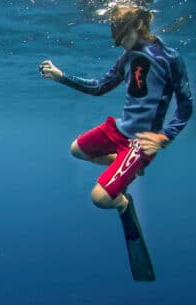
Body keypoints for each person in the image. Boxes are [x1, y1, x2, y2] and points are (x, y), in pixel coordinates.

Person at [39, 5, 193, 215]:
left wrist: (164, 137)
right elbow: (99, 87)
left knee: (99, 199)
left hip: (141, 142)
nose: (121, 45)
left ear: (138, 25)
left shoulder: (169, 58)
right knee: (76, 150)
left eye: (124, 38)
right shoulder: (127, 57)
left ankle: (123, 203)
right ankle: (128, 168)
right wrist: (62, 77)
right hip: (118, 130)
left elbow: (185, 105)